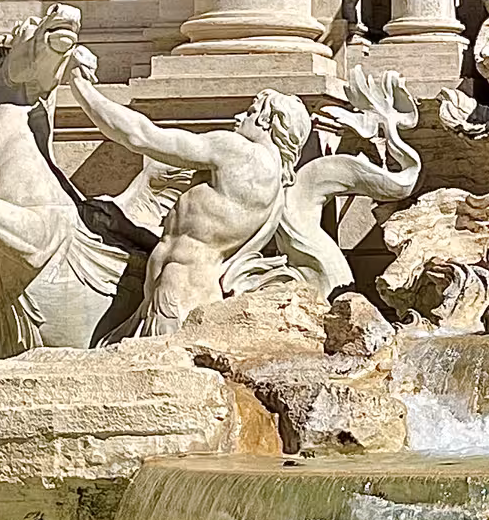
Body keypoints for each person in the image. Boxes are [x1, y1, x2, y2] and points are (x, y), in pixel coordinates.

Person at [63, 52, 311, 336]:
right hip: (188, 295)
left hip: (176, 297)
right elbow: (200, 237)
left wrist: (80, 87)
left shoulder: (239, 152)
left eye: (252, 111)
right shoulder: (277, 191)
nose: (239, 116)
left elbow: (141, 135)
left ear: (269, 121)